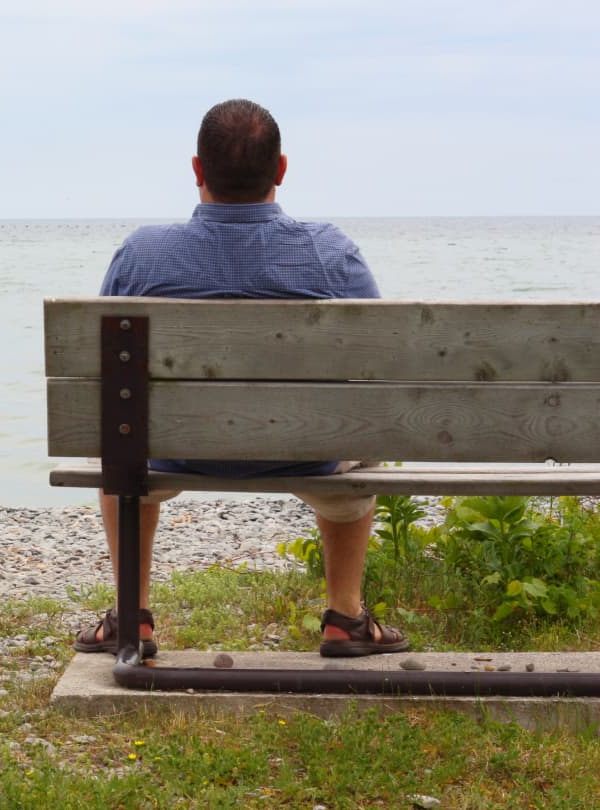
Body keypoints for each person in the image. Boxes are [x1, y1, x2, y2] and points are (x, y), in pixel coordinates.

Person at [73, 99, 408, 659]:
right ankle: (345, 618)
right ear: (280, 171)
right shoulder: (330, 253)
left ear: (197, 171)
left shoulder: (142, 256)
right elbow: (378, 365)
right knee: (363, 444)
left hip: (174, 452)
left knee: (121, 440)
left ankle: (132, 615)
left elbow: (106, 376)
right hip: (307, 452)